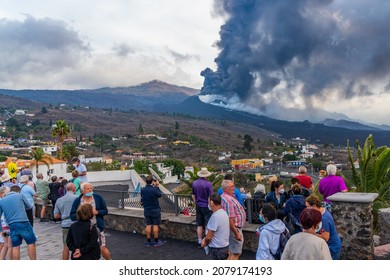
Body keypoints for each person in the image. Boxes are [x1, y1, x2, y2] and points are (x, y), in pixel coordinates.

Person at [70, 182, 112, 259]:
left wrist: (97, 212)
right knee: (88, 248)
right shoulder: (78, 201)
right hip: (84, 231)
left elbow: (105, 211)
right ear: (82, 191)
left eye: (91, 188)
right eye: (88, 189)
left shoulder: (98, 198)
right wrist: (82, 215)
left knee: (102, 247)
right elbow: (72, 215)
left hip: (97, 227)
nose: (90, 190)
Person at [0, 185, 37, 260]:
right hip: (23, 222)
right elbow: (29, 206)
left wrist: (1, 230)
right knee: (30, 243)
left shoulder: (2, 201)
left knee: (15, 246)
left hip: (10, 226)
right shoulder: (20, 195)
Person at [305, 194, 342, 260]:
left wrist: (309, 233)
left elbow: (326, 237)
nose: (306, 209)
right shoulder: (321, 211)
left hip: (332, 247)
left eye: (308, 207)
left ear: (314, 206)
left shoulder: (324, 218)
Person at [221, 179, 246, 260]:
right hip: (235, 229)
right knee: (236, 254)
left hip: (234, 229)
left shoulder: (228, 197)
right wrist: (236, 233)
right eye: (231, 186)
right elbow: (229, 219)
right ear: (225, 188)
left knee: (232, 253)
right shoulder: (228, 200)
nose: (234, 188)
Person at [201, 193, 229, 260]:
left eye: (208, 202)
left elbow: (209, 236)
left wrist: (205, 242)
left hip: (217, 248)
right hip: (224, 246)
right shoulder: (224, 213)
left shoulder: (215, 216)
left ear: (212, 202)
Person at [54, 183, 78, 260]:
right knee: (78, 245)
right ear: (74, 189)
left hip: (65, 224)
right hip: (76, 223)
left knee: (66, 246)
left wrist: (64, 215)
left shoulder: (59, 200)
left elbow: (56, 216)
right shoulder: (77, 198)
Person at [141, 175, 166, 248]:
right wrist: (157, 186)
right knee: (155, 225)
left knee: (148, 225)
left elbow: (143, 197)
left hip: (147, 210)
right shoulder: (154, 189)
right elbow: (159, 195)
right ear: (152, 181)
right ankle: (156, 242)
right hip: (155, 210)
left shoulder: (142, 189)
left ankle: (148, 242)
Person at [192, 167, 214, 247]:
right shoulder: (209, 184)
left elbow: (193, 195)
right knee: (207, 224)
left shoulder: (194, 183)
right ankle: (206, 242)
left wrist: (196, 203)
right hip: (206, 206)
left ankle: (199, 240)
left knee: (200, 224)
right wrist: (210, 206)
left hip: (198, 205)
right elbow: (210, 197)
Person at [0, 186, 12, 260]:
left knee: (5, 244)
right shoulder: (4, 201)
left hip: (4, 227)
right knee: (10, 245)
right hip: (6, 227)